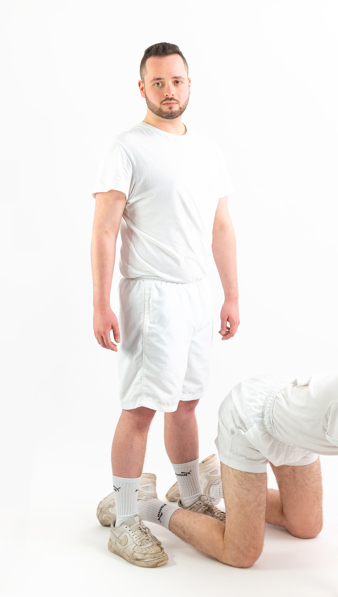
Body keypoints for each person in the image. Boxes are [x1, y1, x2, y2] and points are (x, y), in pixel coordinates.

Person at [118, 319, 338, 596]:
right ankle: (149, 505)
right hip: (251, 419)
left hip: (298, 433)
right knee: (242, 552)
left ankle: (219, 482)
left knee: (307, 527)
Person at [91, 41, 239, 567]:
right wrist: (101, 304)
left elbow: (221, 226)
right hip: (151, 293)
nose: (168, 91)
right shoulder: (127, 147)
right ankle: (127, 520)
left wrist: (230, 294)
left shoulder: (207, 149)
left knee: (187, 402)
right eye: (158, 82)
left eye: (176, 81)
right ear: (142, 88)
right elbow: (105, 231)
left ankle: (191, 493)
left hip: (198, 293)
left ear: (189, 84)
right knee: (141, 408)